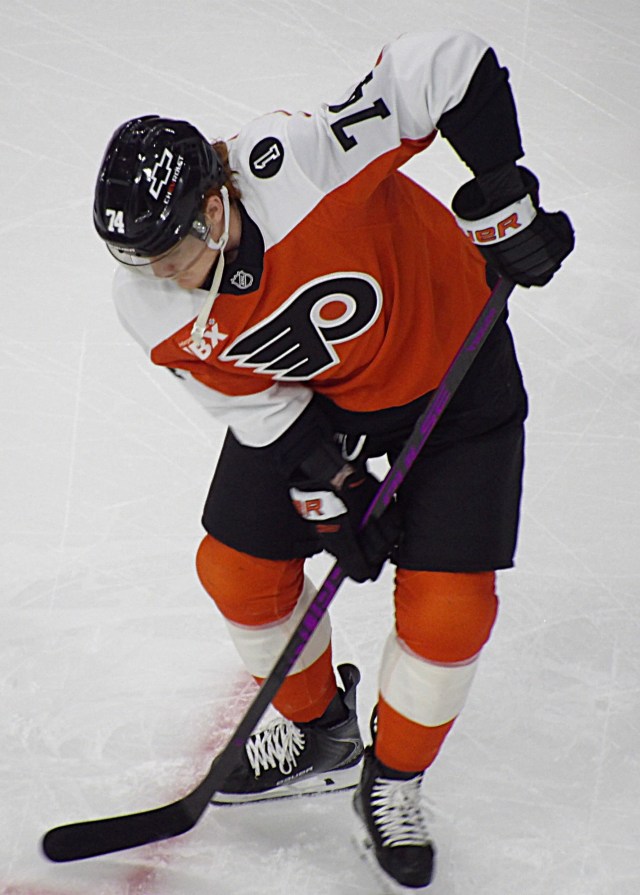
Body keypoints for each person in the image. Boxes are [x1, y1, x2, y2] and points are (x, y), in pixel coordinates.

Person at [93, 29, 573, 892]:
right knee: (236, 569)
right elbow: (255, 404)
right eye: (142, 260)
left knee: (451, 614)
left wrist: (500, 189)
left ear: (214, 207)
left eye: (171, 253)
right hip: (330, 405)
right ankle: (321, 732)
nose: (160, 275)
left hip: (456, 378)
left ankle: (394, 779)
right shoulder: (150, 302)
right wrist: (331, 481)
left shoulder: (303, 165)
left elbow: (443, 66)